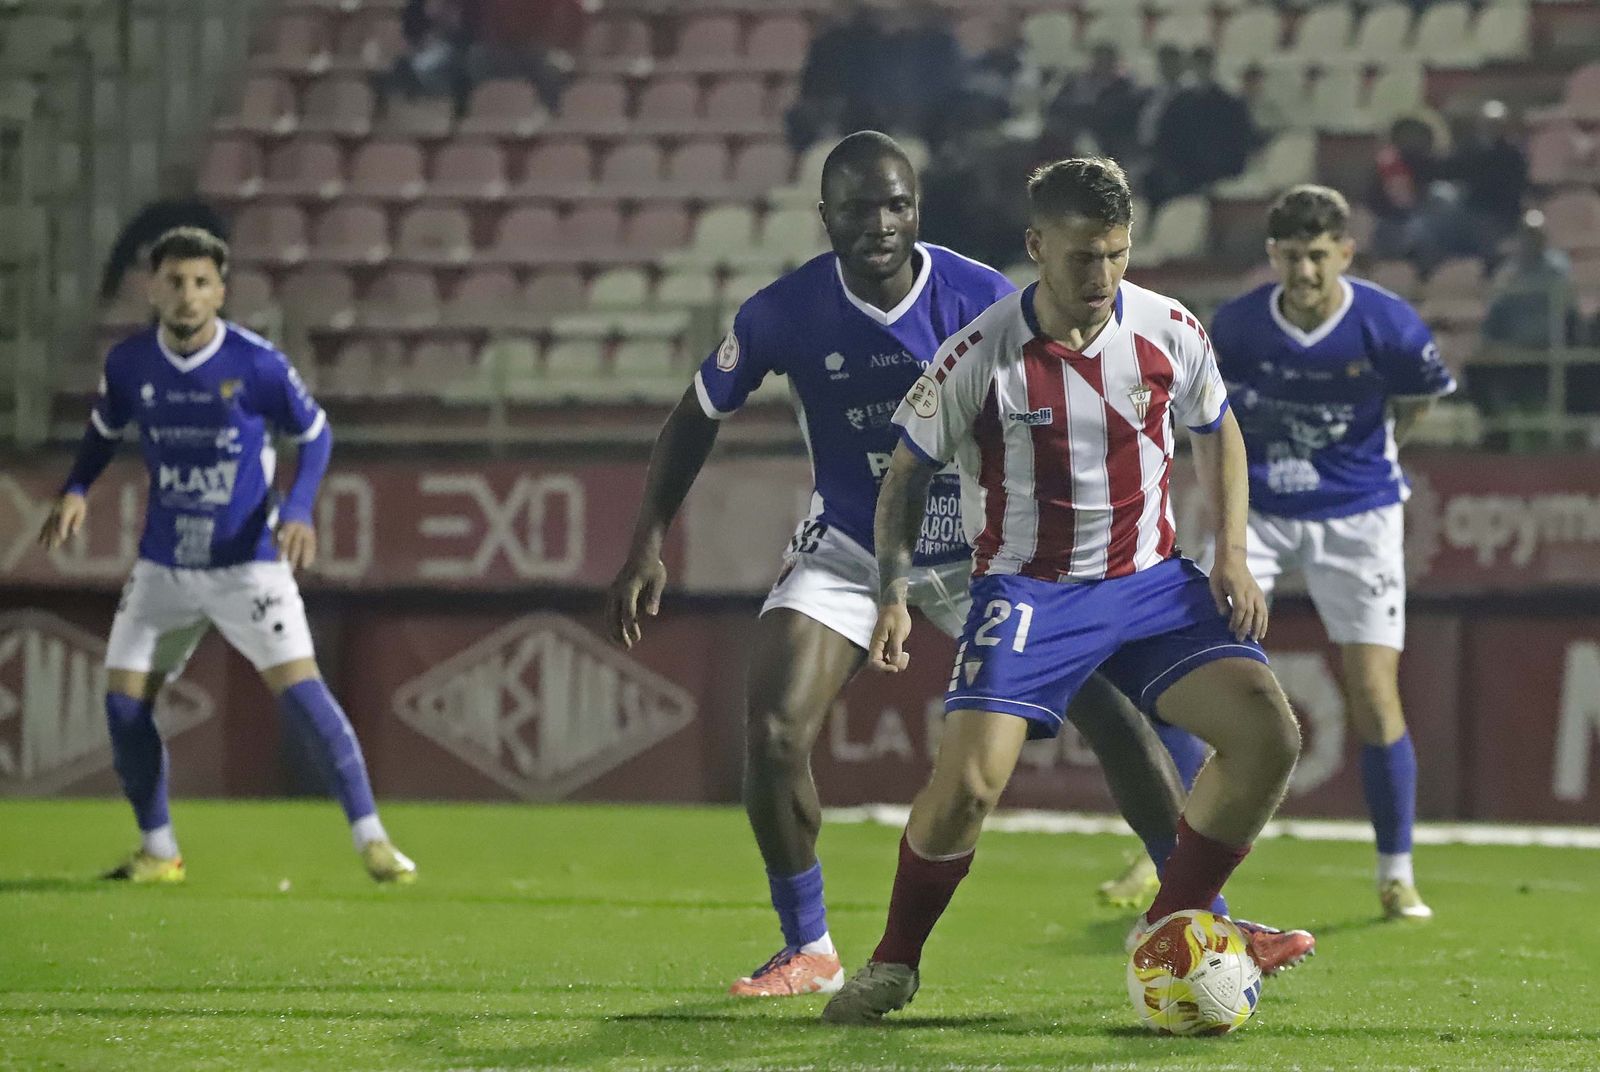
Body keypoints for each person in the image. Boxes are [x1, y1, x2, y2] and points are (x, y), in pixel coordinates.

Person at [604, 133, 1292, 999]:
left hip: (982, 552)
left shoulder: (982, 296)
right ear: (826, 219)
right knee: (775, 730)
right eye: (859, 209)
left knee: (1116, 718)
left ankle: (1198, 914)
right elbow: (699, 412)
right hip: (857, 544)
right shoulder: (784, 312)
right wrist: (647, 539)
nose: (881, 224)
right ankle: (808, 946)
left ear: (918, 210)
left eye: (896, 206)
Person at [821, 157, 1304, 1025]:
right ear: (1037, 246)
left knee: (1269, 733)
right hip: (1030, 593)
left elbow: (1217, 426)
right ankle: (893, 962)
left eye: (1117, 255)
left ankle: (1174, 920)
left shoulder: (1168, 327)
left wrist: (1230, 550)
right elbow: (904, 475)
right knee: (969, 786)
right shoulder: (980, 353)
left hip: (1151, 584)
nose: (1103, 277)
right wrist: (891, 590)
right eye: (1084, 257)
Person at [37, 227, 416, 887]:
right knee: (124, 703)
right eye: (175, 282)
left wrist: (297, 510)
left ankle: (374, 841)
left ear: (221, 290)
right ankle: (159, 852)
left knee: (302, 693)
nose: (188, 295)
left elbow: (316, 434)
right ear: (153, 289)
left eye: (201, 283)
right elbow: (103, 434)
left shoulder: (257, 363)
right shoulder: (130, 365)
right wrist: (75, 490)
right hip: (164, 565)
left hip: (248, 564)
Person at [1193, 184, 1456, 920]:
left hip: (1359, 516)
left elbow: (1419, 397)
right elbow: (1211, 427)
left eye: (1319, 256)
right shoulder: (1240, 328)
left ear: (1344, 252)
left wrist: (1377, 457)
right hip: (1263, 513)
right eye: (1292, 256)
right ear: (1272, 254)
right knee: (1203, 678)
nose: (1305, 271)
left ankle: (1395, 871)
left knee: (1373, 694)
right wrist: (1231, 536)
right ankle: (1171, 858)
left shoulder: (1389, 325)